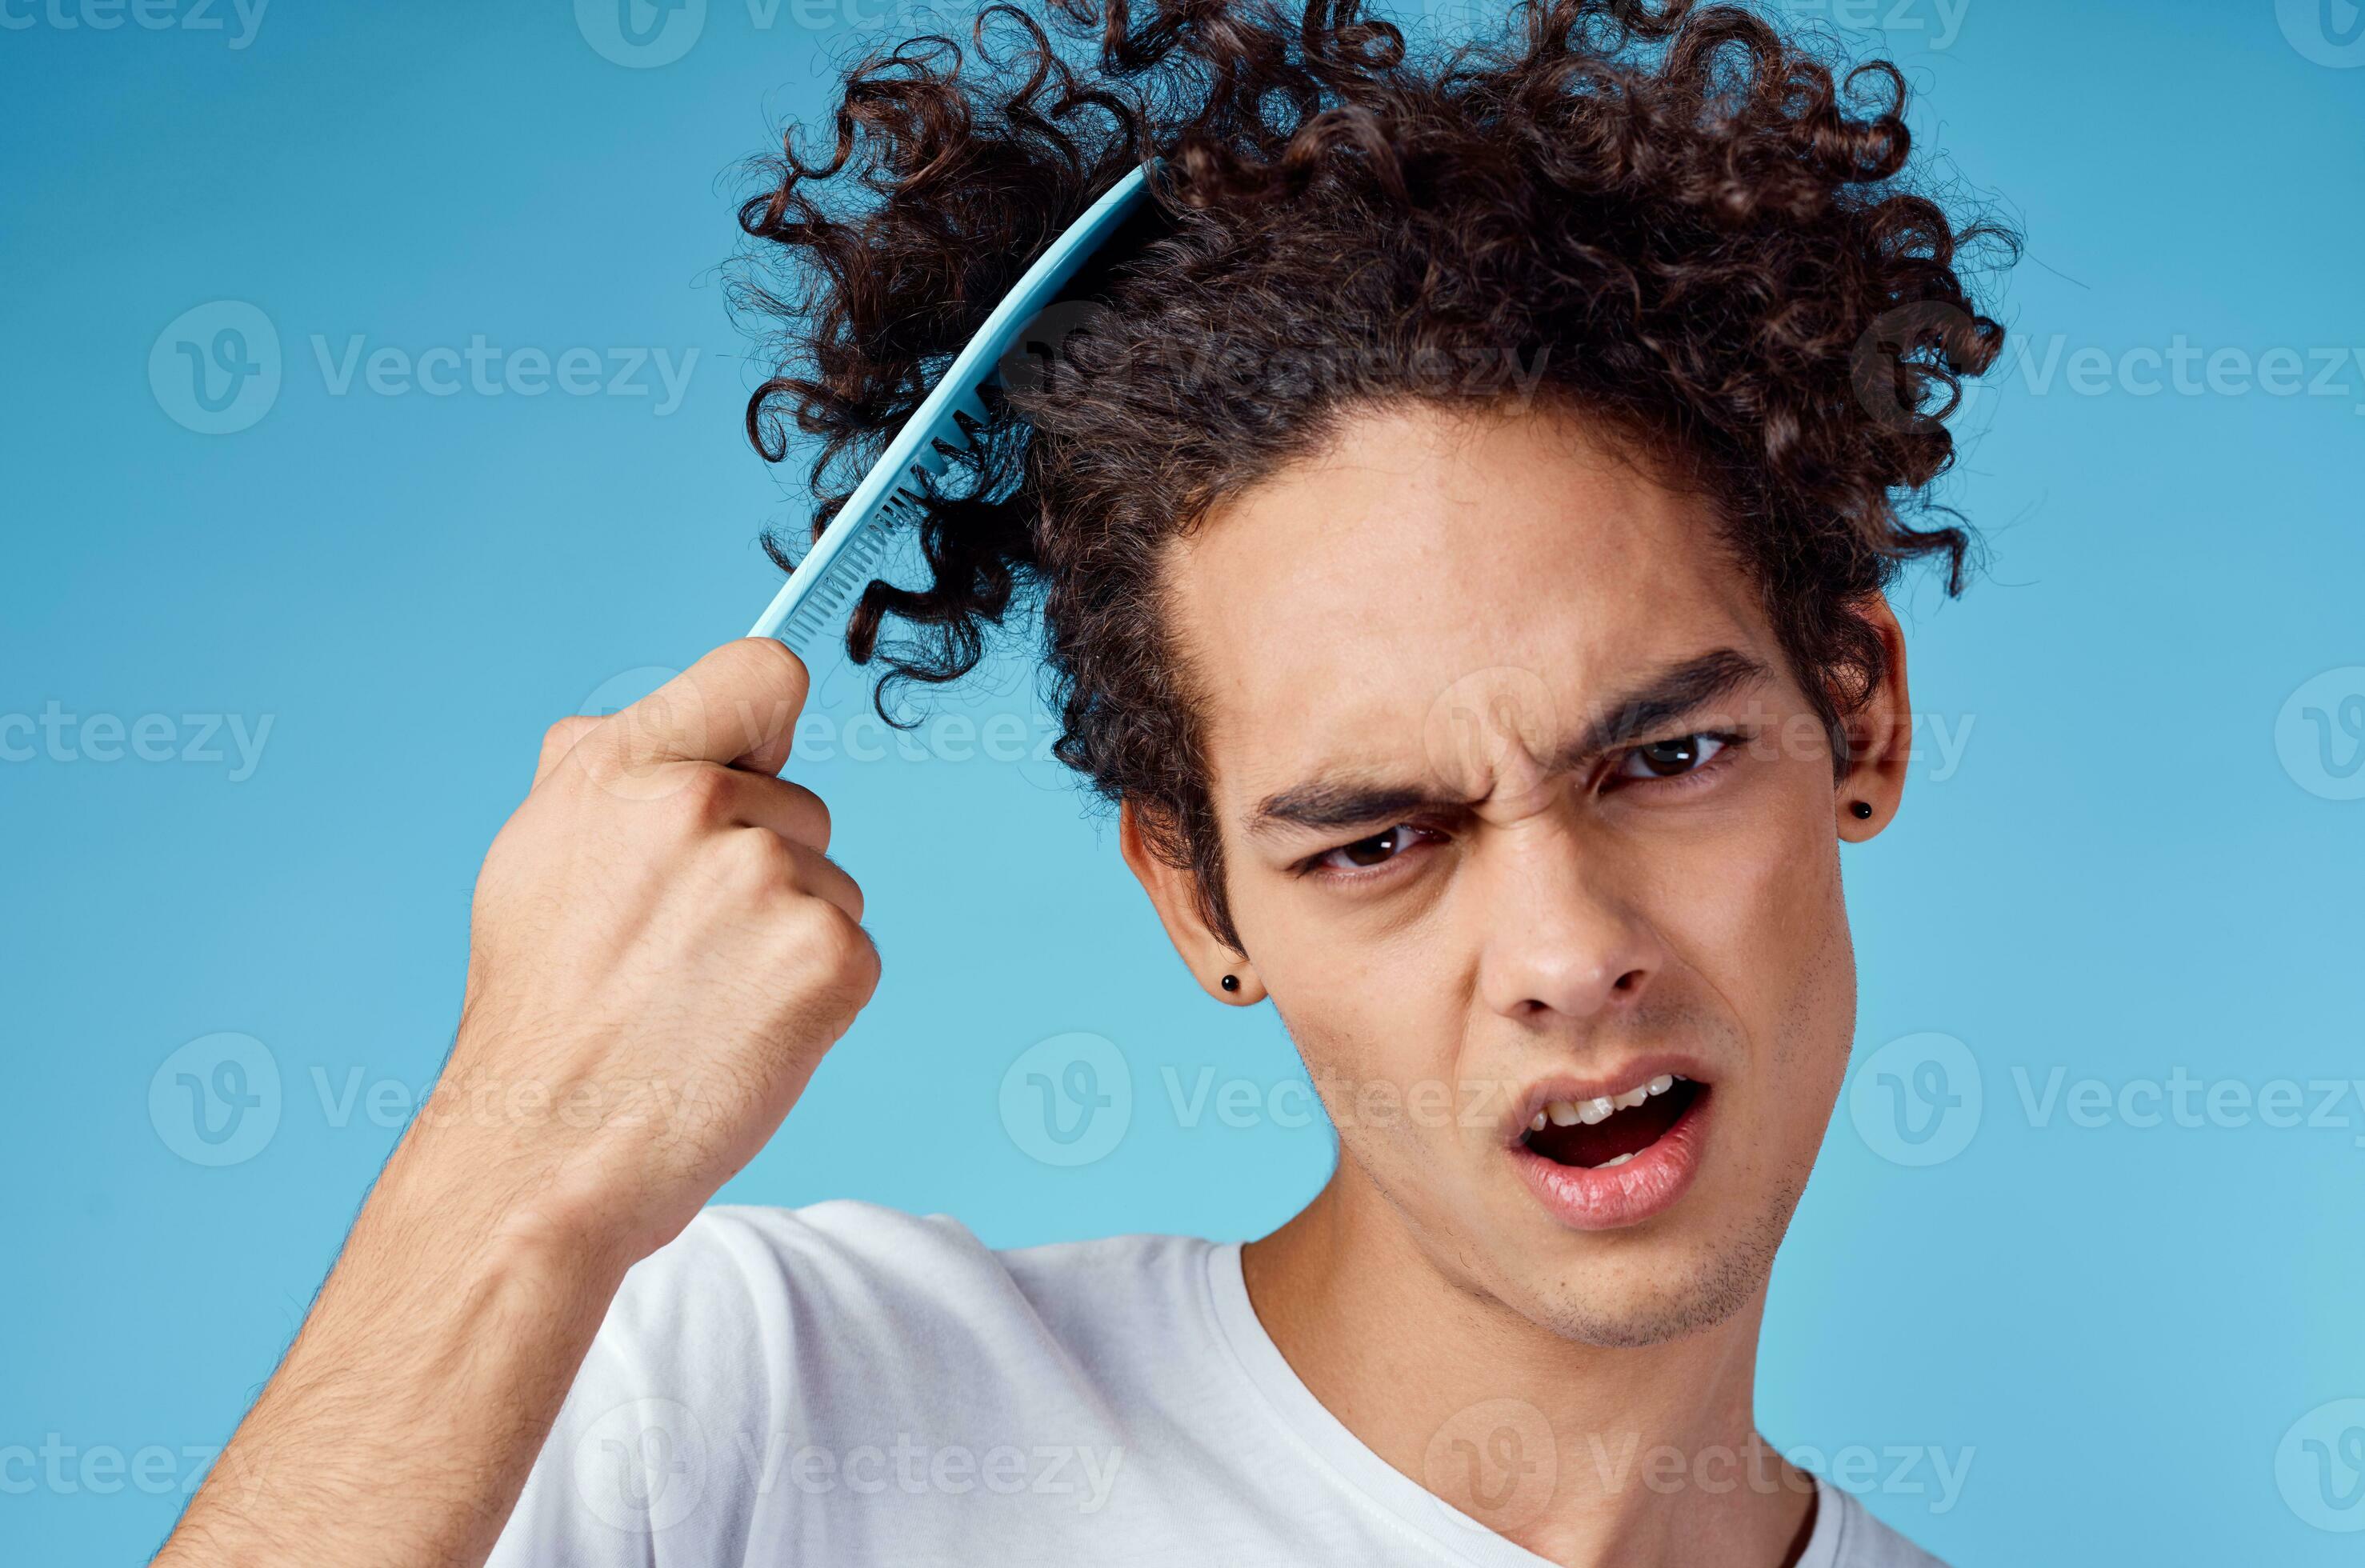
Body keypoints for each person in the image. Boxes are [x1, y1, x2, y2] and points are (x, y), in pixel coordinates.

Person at [155, 2, 2010, 1563]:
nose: (1561, 949)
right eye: (1377, 839)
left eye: (1664, 756)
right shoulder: (760, 1406)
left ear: (1855, 718)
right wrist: (517, 1161)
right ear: (1199, 901)